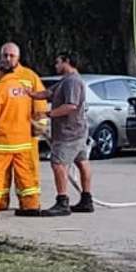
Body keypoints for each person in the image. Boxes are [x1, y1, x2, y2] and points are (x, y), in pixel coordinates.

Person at [0, 42, 47, 219]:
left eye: (11, 55)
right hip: (22, 140)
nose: (8, 58)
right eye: (5, 55)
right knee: (26, 174)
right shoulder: (22, 86)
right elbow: (36, 106)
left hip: (1, 140)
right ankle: (30, 206)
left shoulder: (4, 86)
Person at [42, 52, 94, 215]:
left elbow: (71, 105)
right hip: (77, 131)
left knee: (58, 163)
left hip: (69, 133)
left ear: (67, 62)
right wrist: (29, 93)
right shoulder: (65, 81)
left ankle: (62, 202)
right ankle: (86, 200)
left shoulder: (72, 81)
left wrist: (48, 114)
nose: (55, 65)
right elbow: (48, 94)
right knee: (81, 161)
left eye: (58, 62)